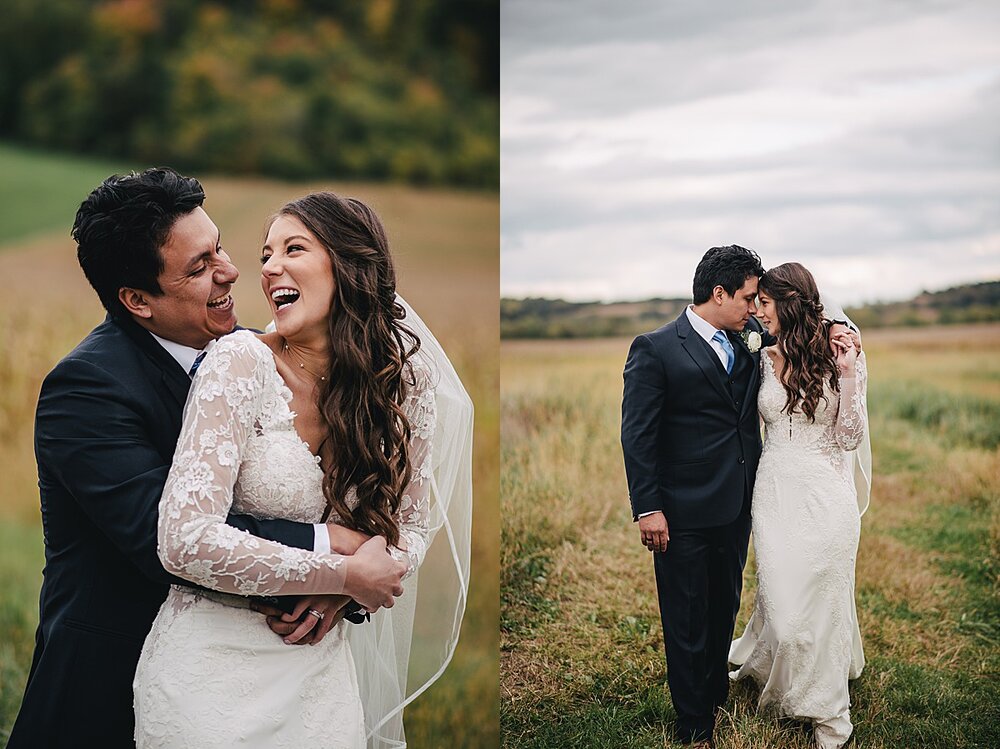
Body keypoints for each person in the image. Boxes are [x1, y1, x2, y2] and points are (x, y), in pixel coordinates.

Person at [7, 169, 402, 749]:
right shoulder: (86, 389)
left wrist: (343, 586)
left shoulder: (256, 357)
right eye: (198, 267)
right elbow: (163, 540)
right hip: (117, 682)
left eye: (218, 246)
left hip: (276, 676)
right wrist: (334, 551)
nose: (232, 271)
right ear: (137, 300)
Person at [133, 191, 473, 748]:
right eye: (266, 255)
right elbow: (184, 540)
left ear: (350, 266)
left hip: (318, 677)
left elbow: (408, 529)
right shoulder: (238, 362)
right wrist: (340, 575)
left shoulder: (403, 384)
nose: (269, 269)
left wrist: (340, 597)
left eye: (293, 248)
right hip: (210, 675)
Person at [621, 245, 769, 748]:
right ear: (718, 292)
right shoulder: (655, 348)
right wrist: (648, 507)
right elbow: (637, 435)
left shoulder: (749, 339)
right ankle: (694, 727)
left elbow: (794, 328)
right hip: (680, 511)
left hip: (738, 503)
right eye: (748, 298)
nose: (754, 308)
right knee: (685, 616)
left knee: (724, 604)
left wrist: (842, 333)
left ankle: (714, 694)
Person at [728, 262, 868, 749]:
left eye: (764, 303)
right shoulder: (760, 354)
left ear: (789, 305)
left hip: (827, 496)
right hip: (774, 493)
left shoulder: (841, 353)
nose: (757, 311)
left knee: (823, 603)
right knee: (783, 607)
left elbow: (849, 437)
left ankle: (827, 711)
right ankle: (775, 663)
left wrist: (848, 375)